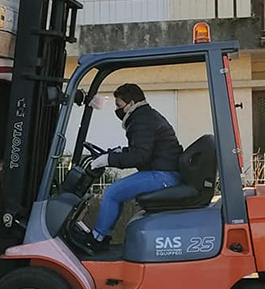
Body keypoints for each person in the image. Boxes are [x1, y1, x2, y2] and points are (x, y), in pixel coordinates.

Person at [74, 83, 183, 254]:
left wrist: (108, 159)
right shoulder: (145, 116)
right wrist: (116, 153)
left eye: (119, 105)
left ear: (131, 103)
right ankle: (102, 236)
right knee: (117, 193)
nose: (117, 110)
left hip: (163, 175)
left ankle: (96, 239)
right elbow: (141, 149)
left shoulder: (141, 120)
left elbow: (140, 156)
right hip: (163, 172)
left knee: (112, 193)